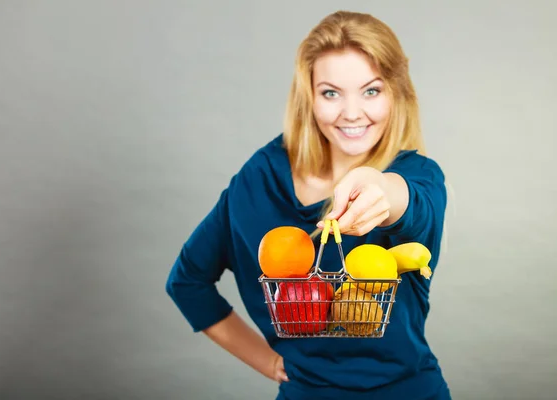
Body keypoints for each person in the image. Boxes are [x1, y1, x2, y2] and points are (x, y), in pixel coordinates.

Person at [166, 10, 451, 400]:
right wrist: (265, 361)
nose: (351, 113)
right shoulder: (260, 177)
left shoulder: (419, 175)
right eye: (331, 92)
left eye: (371, 90)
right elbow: (187, 282)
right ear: (310, 97)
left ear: (396, 93)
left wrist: (376, 187)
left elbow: (407, 200)